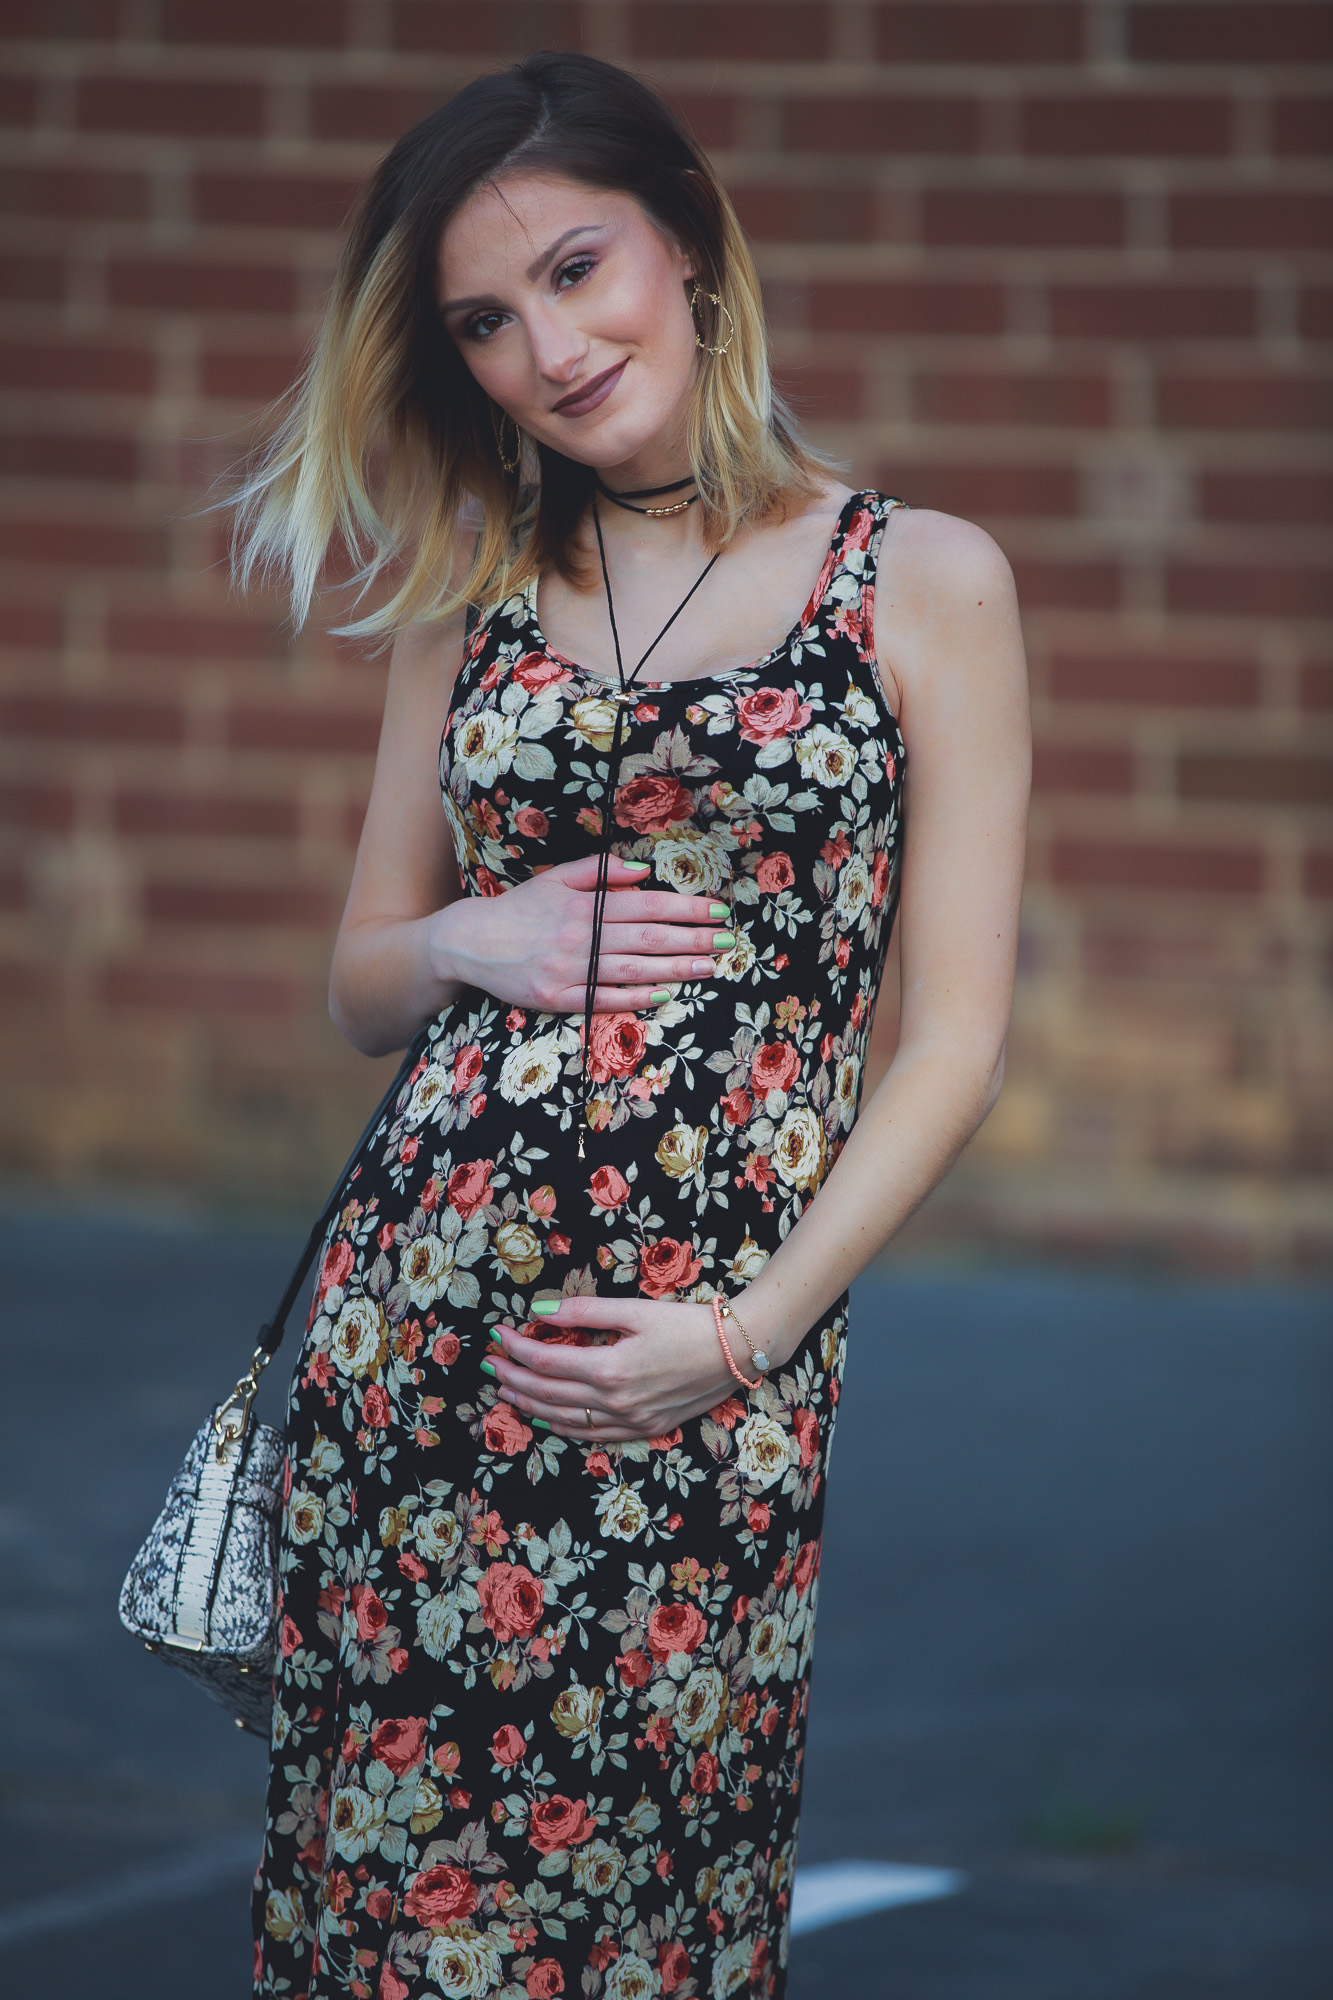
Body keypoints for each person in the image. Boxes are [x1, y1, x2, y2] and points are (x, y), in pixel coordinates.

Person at [234, 49, 1029, 2000]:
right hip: (412, 1343)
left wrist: (749, 1333)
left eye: (579, 270)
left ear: (687, 241)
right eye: (486, 324)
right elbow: (360, 981)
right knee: (398, 1921)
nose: (549, 349)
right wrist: (472, 932)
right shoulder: (474, 590)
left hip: (698, 1347)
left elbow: (950, 1038)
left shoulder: (917, 582)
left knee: (651, 1905)